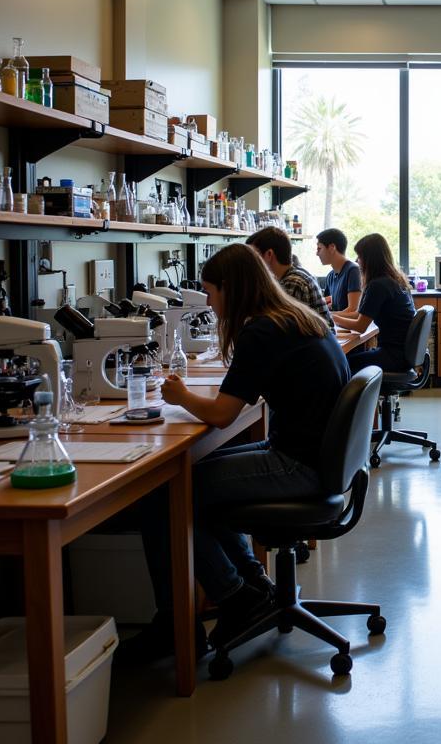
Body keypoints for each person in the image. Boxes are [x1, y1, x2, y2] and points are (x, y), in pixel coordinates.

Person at [123, 244, 351, 662]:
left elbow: (224, 415)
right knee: (192, 479)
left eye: (211, 293)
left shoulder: (262, 331)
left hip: (298, 466)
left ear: (232, 289)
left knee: (166, 495)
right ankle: (253, 586)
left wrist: (179, 394)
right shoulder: (294, 319)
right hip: (316, 458)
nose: (209, 303)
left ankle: (226, 601)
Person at [332, 233, 416, 373]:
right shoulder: (393, 280)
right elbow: (360, 315)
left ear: (369, 259)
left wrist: (333, 318)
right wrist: (331, 314)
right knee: (346, 358)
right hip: (401, 354)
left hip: (393, 356)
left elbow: (360, 326)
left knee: (340, 363)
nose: (357, 261)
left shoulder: (378, 285)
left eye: (359, 256)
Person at [247, 225, 334, 327]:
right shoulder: (290, 275)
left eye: (255, 255)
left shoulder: (294, 281)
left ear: (269, 254)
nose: (252, 262)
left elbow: (278, 326)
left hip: (315, 340)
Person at [316, 227, 362, 313]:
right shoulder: (330, 276)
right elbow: (332, 305)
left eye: (319, 248)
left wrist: (327, 316)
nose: (317, 253)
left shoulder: (353, 270)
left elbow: (353, 309)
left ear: (332, 247)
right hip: (338, 325)